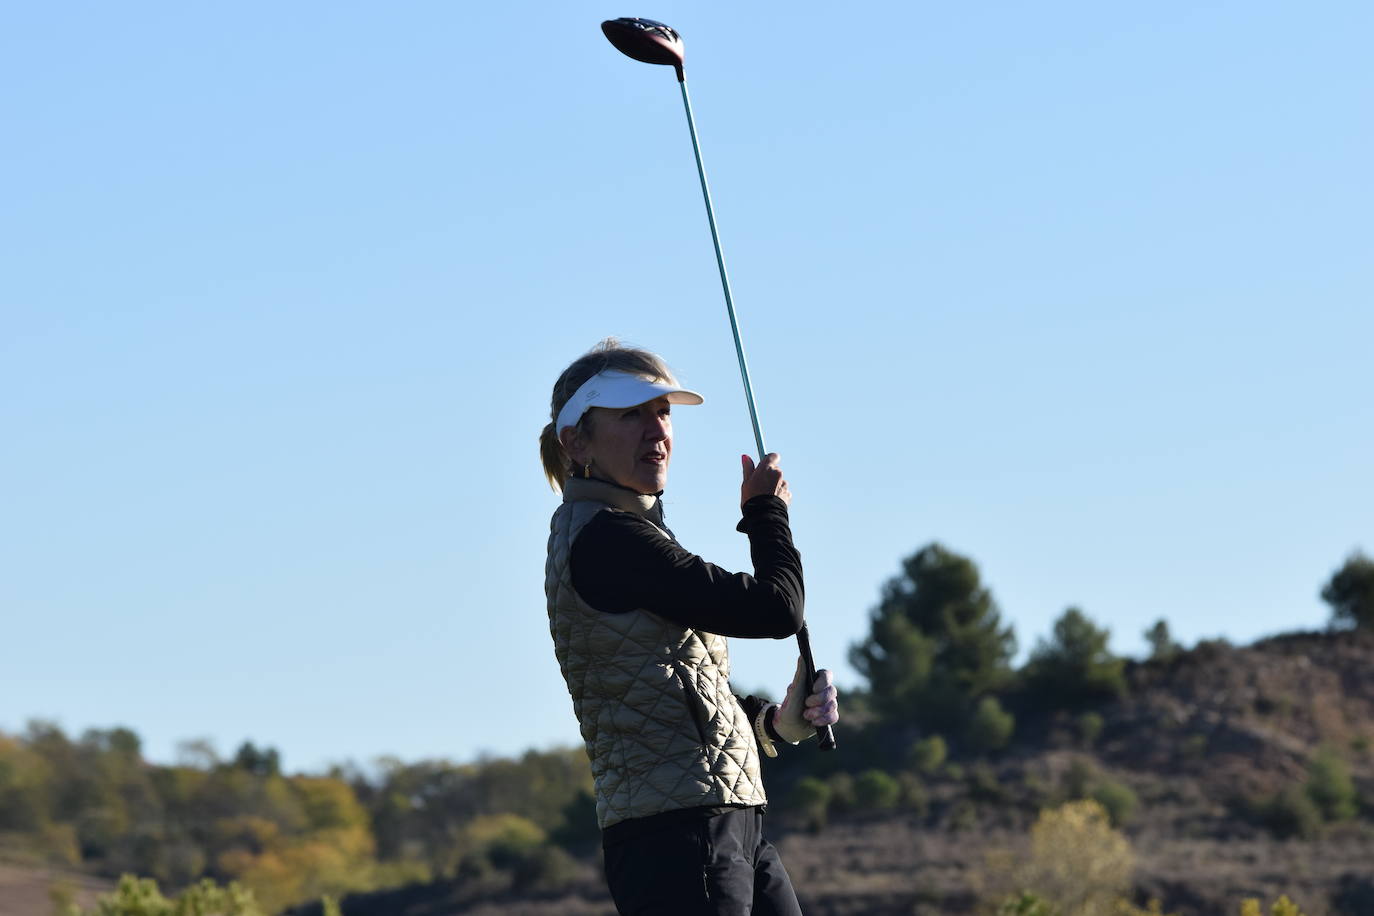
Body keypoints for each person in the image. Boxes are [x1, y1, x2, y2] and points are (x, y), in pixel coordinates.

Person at [540, 339, 840, 915]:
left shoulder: (626, 534)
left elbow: (678, 698)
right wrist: (765, 514)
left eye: (663, 412)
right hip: (675, 839)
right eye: (632, 414)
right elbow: (778, 609)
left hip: (721, 822)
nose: (657, 430)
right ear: (575, 440)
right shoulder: (606, 539)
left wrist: (779, 725)